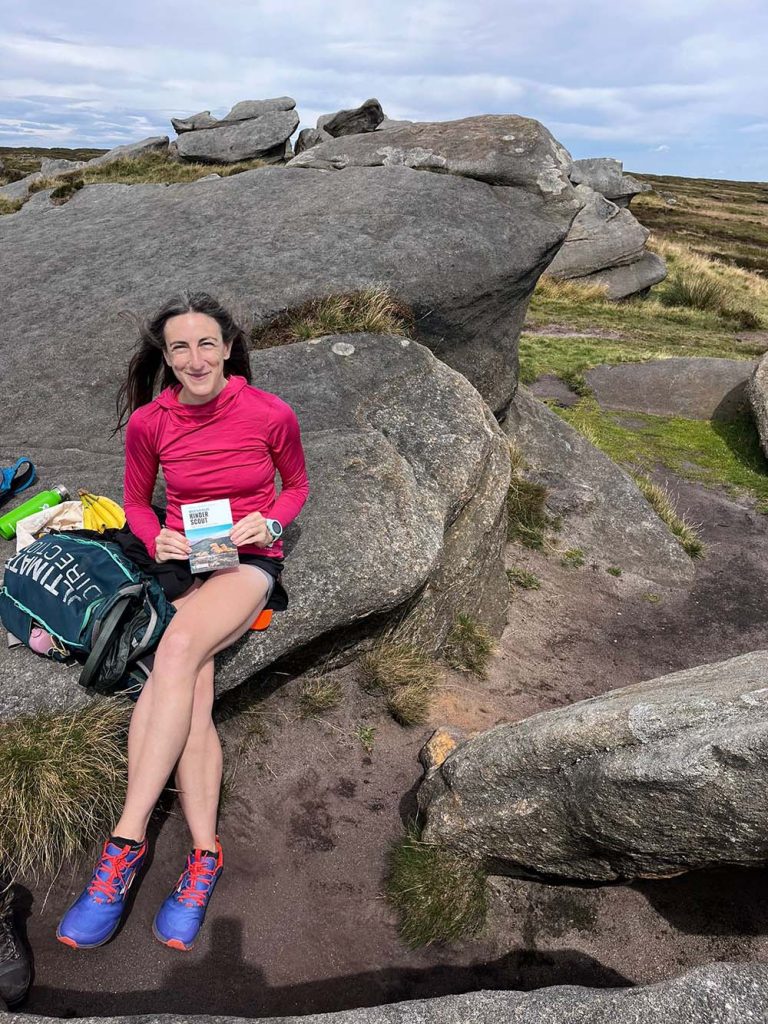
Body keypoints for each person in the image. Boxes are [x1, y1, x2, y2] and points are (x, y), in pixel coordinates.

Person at [56, 293, 309, 951]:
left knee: (174, 651)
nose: (194, 359)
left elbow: (296, 487)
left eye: (205, 344)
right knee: (192, 695)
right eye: (179, 348)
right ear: (165, 358)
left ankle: (125, 843)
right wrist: (158, 538)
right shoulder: (150, 421)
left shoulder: (270, 413)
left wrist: (273, 521)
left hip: (247, 557)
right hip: (186, 555)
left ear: (227, 348)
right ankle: (204, 856)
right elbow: (137, 505)